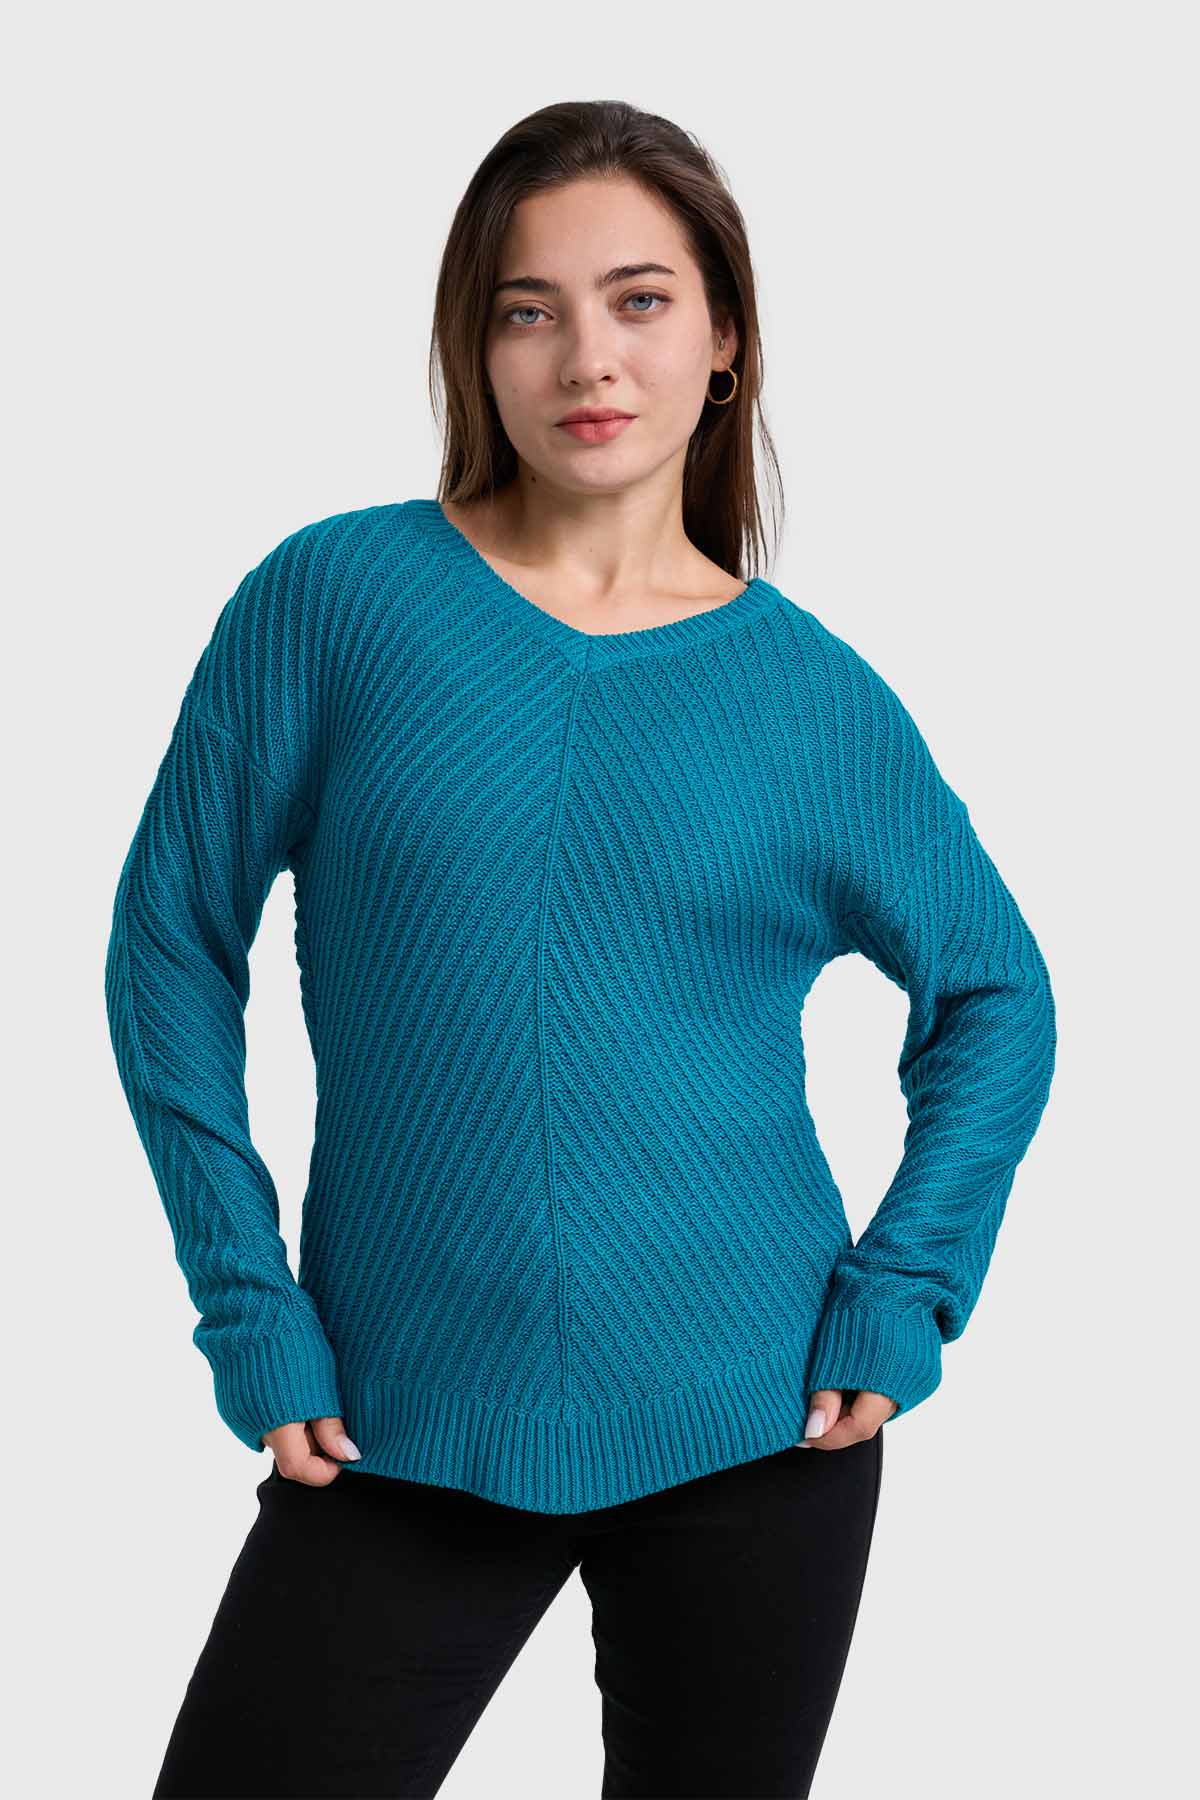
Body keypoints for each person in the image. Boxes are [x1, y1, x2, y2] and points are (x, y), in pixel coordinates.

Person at [105, 100, 1057, 1800]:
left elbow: (997, 992)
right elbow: (170, 944)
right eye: (526, 309)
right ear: (474, 348)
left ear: (724, 340)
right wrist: (247, 1303)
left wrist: (902, 1290)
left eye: (639, 300)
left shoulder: (812, 697)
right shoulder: (337, 602)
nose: (585, 358)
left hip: (761, 1425)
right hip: (394, 1419)